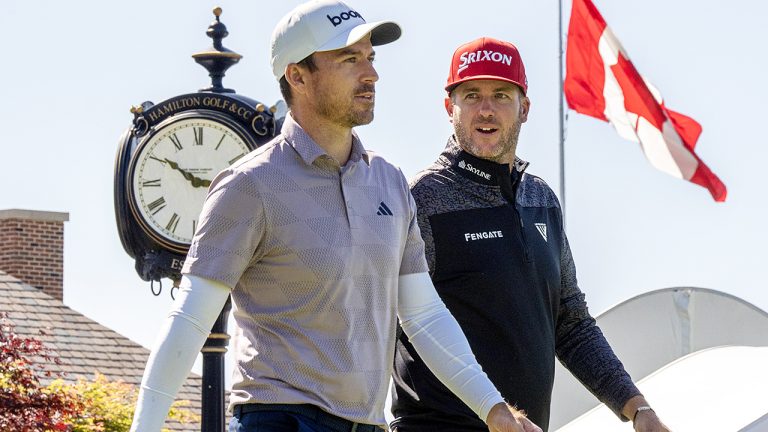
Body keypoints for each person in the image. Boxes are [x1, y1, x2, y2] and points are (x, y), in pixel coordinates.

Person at [130, 4, 542, 432]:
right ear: (298, 76)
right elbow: (189, 322)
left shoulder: (389, 182)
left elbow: (422, 315)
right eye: (350, 60)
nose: (371, 74)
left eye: (370, 58)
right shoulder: (249, 184)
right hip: (278, 419)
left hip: (366, 424)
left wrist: (494, 409)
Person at [390, 37, 672, 432]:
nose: (486, 109)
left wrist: (637, 409)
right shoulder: (421, 199)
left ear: (525, 108)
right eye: (471, 95)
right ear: (448, 107)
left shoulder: (541, 200)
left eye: (502, 95)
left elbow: (571, 324)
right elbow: (394, 320)